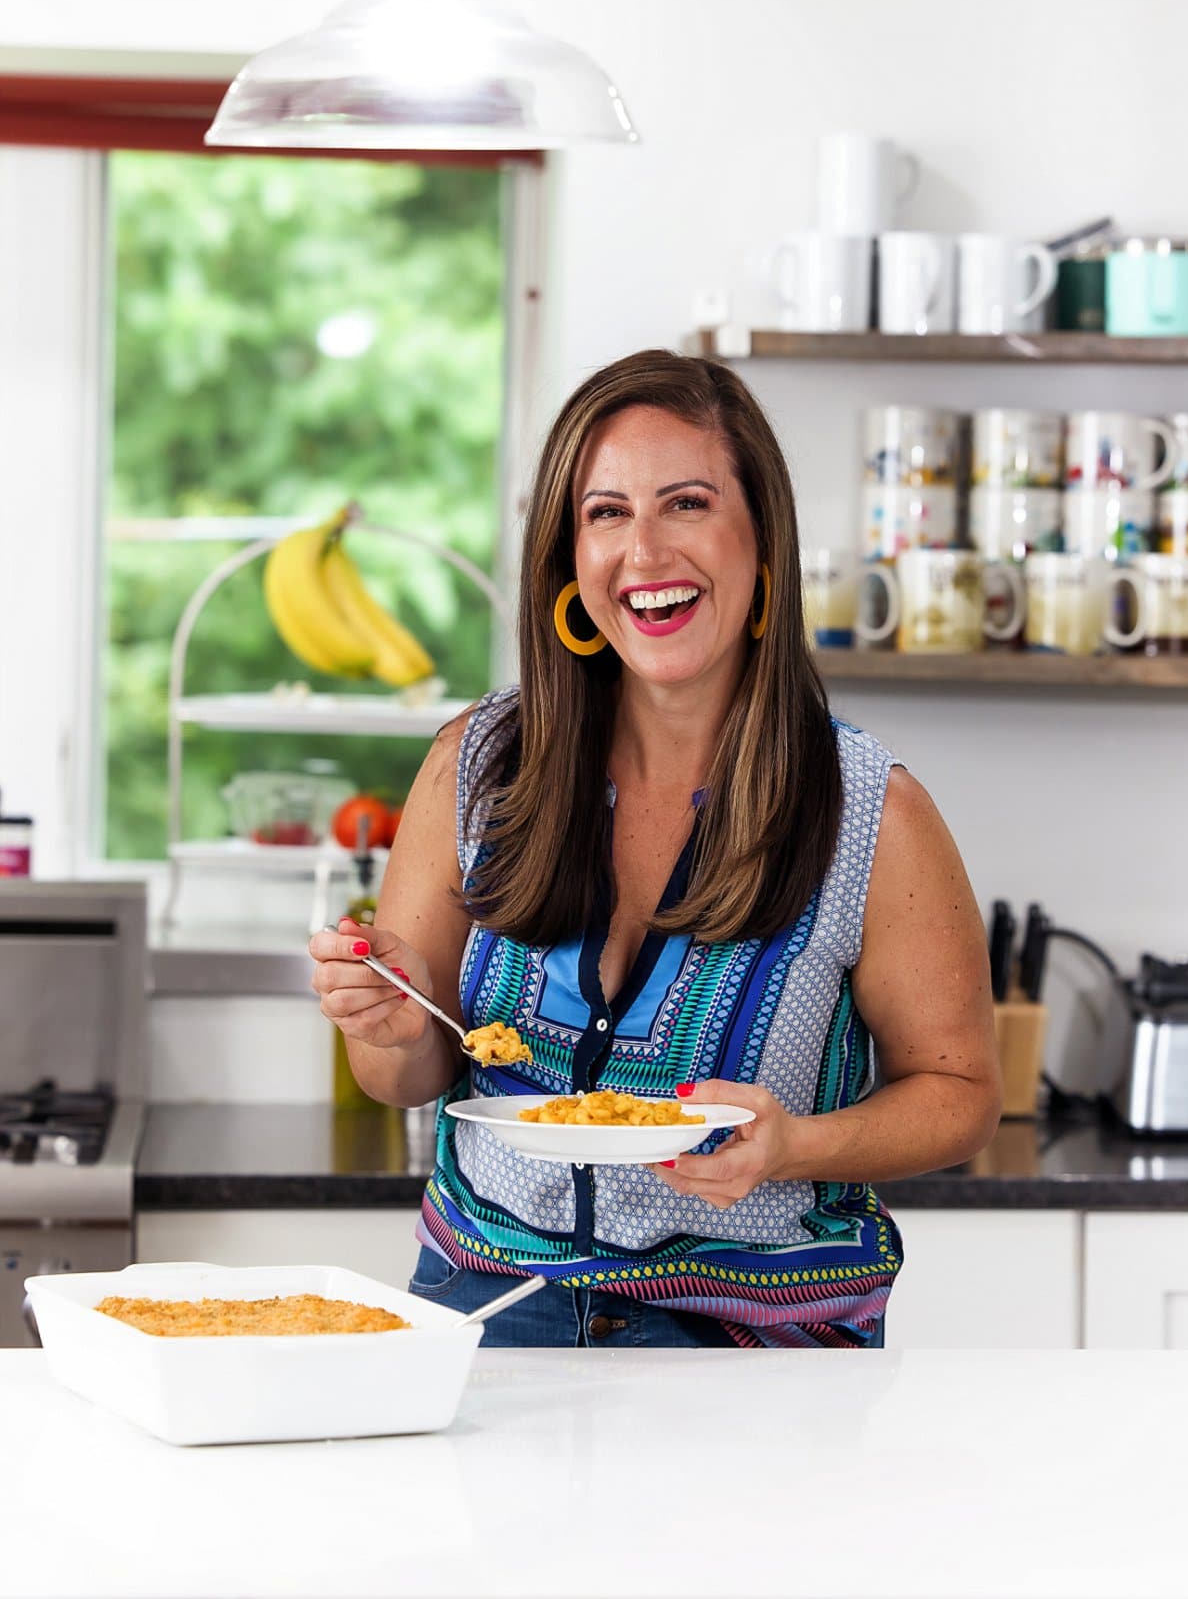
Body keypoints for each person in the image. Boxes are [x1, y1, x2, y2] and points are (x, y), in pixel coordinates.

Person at [309, 349, 1002, 1348]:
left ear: (761, 543)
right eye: (605, 513)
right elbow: (407, 1078)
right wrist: (390, 1017)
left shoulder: (869, 813)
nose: (645, 552)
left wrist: (793, 1143)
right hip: (484, 1325)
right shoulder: (477, 766)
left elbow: (961, 1095)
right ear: (569, 556)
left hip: (751, 1356)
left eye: (686, 503)